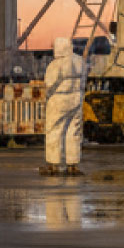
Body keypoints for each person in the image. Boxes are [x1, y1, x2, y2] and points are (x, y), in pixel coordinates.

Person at [42, 34, 86, 177]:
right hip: (76, 98)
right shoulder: (81, 62)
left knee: (54, 130)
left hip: (59, 99)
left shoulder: (56, 64)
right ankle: (72, 165)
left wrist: (47, 96)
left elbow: (49, 84)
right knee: (73, 132)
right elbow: (84, 82)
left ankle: (53, 165)